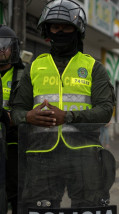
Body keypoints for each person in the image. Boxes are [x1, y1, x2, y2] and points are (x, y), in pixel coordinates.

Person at [10, 0, 116, 212]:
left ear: (77, 31)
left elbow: (105, 110)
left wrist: (68, 116)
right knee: (39, 208)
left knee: (89, 207)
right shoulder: (35, 67)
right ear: (47, 30)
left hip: (84, 154)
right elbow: (16, 112)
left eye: (66, 27)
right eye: (55, 27)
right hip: (42, 156)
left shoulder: (94, 67)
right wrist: (27, 117)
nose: (60, 32)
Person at [0, 25, 25, 214]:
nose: (1, 50)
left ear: (13, 49)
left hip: (14, 140)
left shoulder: (23, 75)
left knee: (17, 189)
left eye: (5, 46)